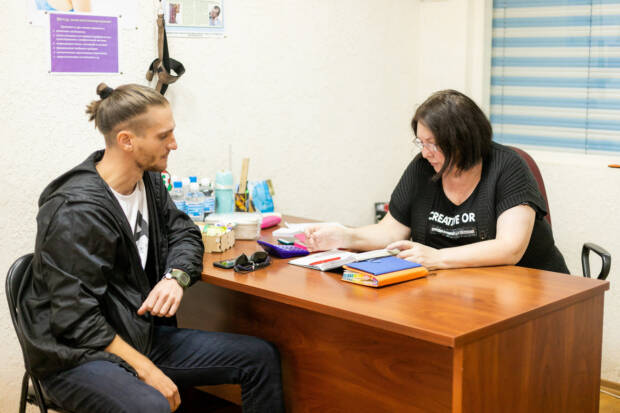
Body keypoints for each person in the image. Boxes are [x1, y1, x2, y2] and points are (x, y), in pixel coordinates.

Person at [20, 83, 285, 413]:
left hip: (136, 335)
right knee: (151, 405)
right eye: (164, 136)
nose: (174, 144)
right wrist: (146, 369)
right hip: (76, 356)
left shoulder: (148, 182)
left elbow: (185, 233)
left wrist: (175, 277)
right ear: (127, 141)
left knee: (259, 358)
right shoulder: (75, 211)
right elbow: (74, 320)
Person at [305, 89, 569, 274]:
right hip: (457, 287)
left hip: (530, 290)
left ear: (463, 140)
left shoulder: (507, 166)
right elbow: (392, 231)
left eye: (432, 144)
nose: (425, 153)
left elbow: (509, 249)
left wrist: (438, 257)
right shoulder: (423, 167)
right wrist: (346, 235)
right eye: (421, 142)